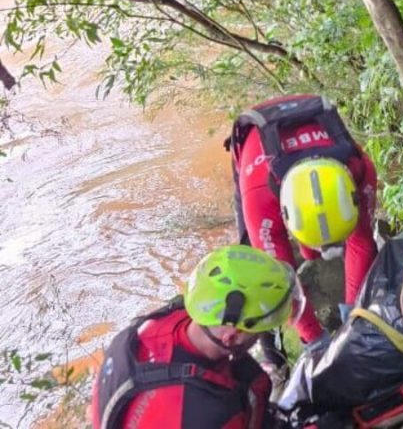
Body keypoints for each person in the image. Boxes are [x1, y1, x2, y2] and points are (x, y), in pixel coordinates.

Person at [225, 94, 379, 349]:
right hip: (257, 147)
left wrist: (355, 318)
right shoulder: (259, 197)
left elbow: (362, 243)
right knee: (254, 258)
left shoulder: (359, 168)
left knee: (360, 242)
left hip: (314, 129)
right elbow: (278, 280)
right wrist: (315, 340)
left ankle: (315, 264)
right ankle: (272, 356)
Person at [90, 245, 301, 428]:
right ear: (231, 337)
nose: (260, 336)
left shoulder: (163, 321)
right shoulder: (209, 413)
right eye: (260, 331)